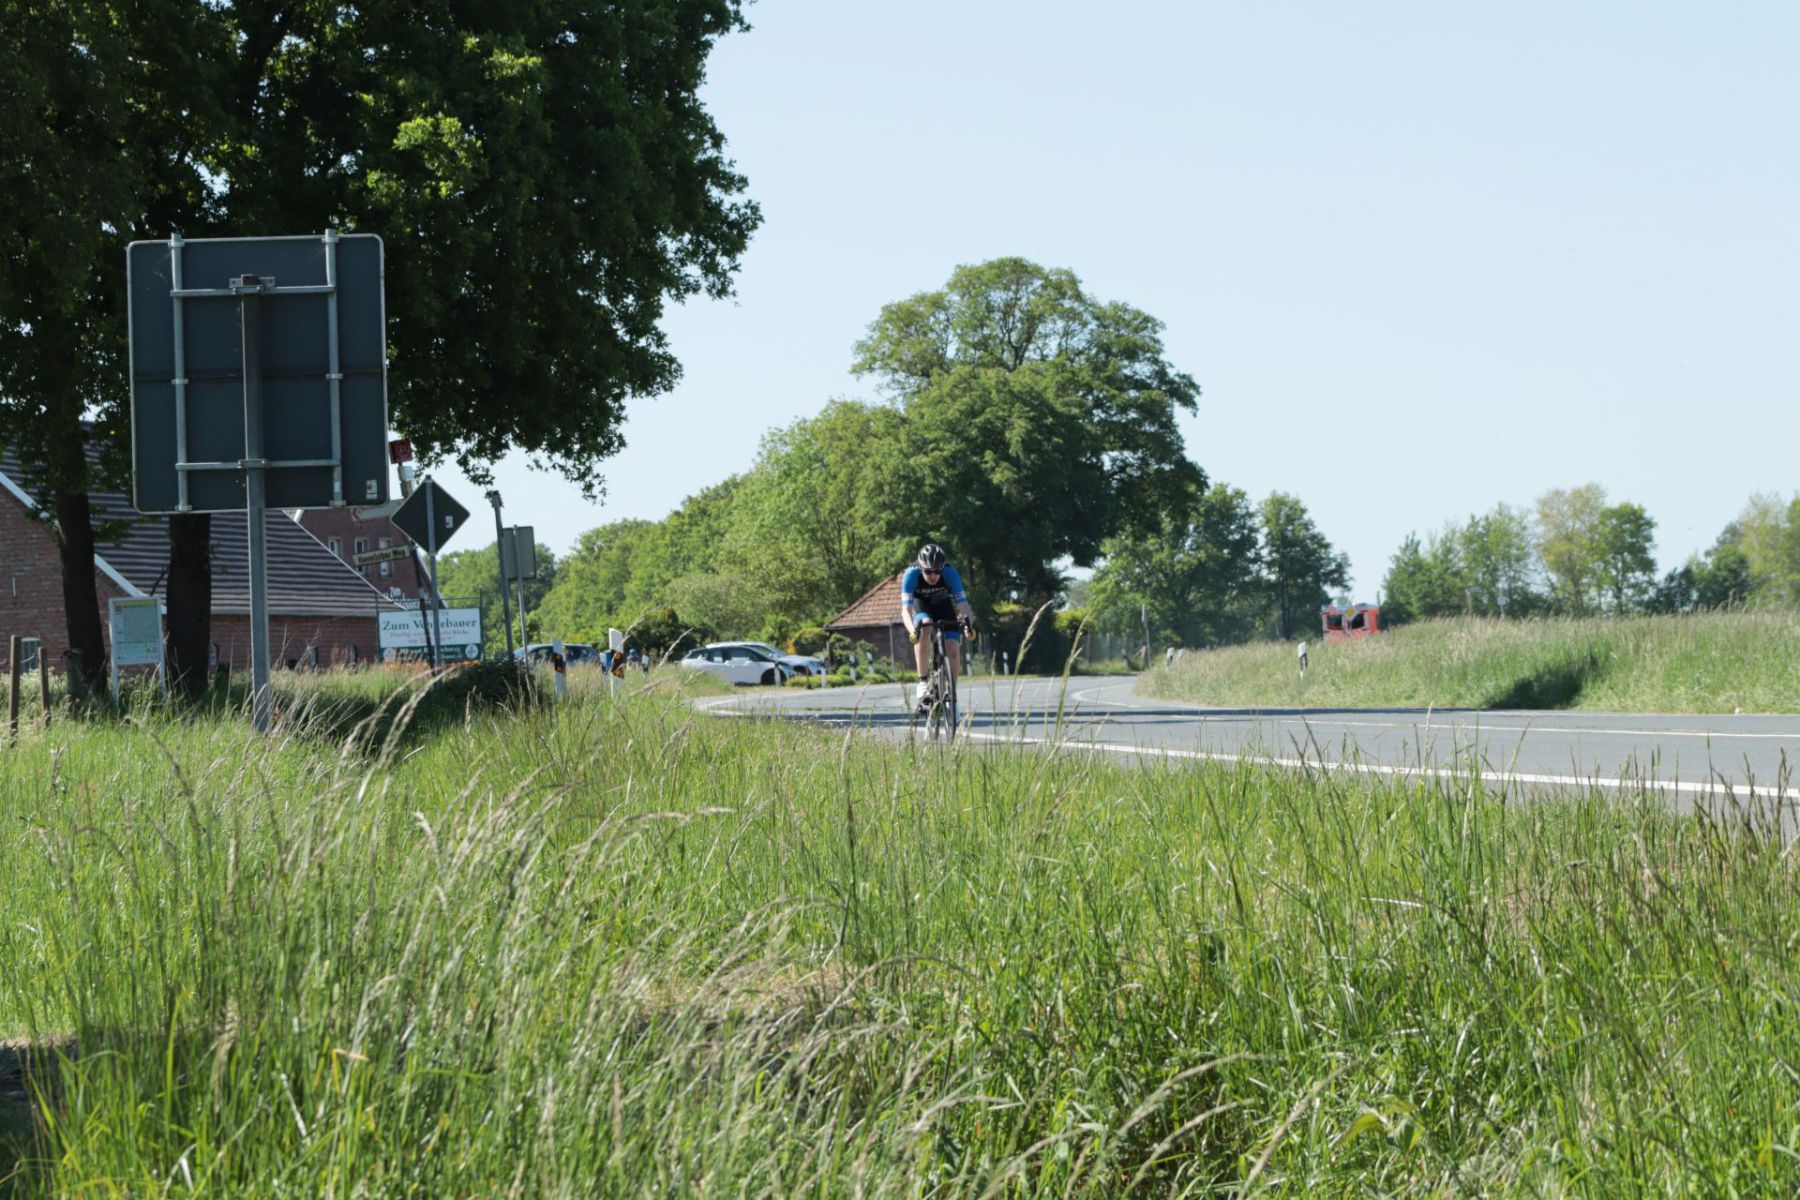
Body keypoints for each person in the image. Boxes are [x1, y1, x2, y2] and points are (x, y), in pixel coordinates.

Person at [899, 543, 976, 711]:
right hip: (921, 605)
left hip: (943, 605)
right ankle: (922, 682)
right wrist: (913, 631)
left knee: (953, 647)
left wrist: (968, 626)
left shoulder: (950, 573)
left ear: (942, 568)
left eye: (937, 571)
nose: (933, 575)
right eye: (928, 571)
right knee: (924, 628)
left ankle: (952, 696)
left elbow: (963, 605)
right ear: (921, 568)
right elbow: (906, 610)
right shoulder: (911, 574)